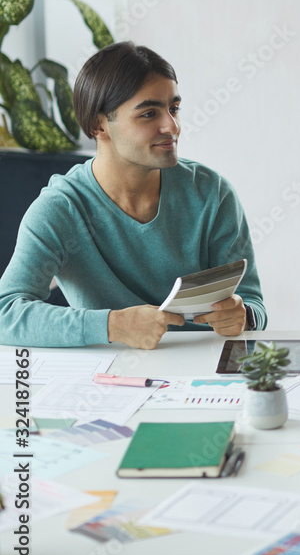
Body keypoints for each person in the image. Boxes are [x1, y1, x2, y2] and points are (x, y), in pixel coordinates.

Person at [0, 42, 266, 349]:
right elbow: (6, 312)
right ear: (99, 125)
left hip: (204, 373)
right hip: (109, 379)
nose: (172, 126)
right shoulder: (60, 209)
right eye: (149, 113)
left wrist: (243, 315)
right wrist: (112, 325)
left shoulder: (212, 193)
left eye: (174, 109)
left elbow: (253, 304)